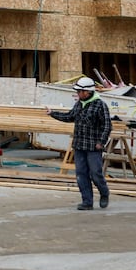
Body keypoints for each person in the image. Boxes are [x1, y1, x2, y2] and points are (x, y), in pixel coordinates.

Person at [46, 76, 112, 210]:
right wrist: (52, 113)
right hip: (79, 146)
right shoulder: (79, 104)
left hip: (93, 147)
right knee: (81, 174)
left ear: (87, 92)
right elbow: (69, 116)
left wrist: (101, 142)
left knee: (95, 173)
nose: (77, 94)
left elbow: (107, 126)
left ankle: (104, 193)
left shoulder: (100, 105)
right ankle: (87, 202)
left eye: (79, 92)